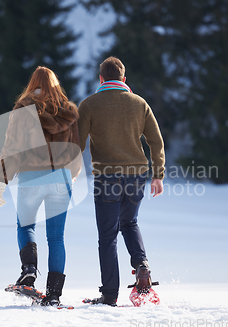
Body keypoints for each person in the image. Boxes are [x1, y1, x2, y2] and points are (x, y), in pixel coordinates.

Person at [78, 57, 165, 306]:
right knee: (129, 222)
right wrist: (158, 174)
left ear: (101, 79)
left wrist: (69, 170)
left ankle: (109, 295)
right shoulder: (140, 103)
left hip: (107, 177)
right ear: (124, 79)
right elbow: (156, 141)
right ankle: (141, 264)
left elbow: (77, 143)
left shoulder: (89, 105)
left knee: (107, 237)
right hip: (137, 175)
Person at [0, 66, 81, 306]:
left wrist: (2, 181)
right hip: (61, 178)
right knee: (56, 238)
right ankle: (53, 295)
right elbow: (76, 148)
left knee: (25, 225)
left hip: (31, 177)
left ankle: (29, 271)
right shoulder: (68, 111)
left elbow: (11, 148)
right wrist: (71, 175)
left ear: (33, 84)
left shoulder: (23, 109)